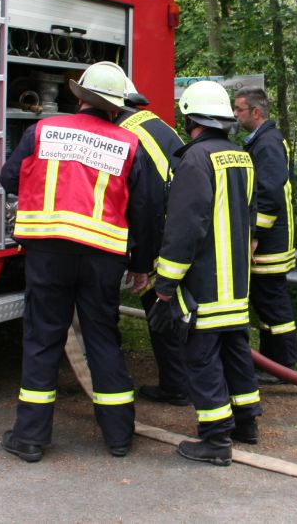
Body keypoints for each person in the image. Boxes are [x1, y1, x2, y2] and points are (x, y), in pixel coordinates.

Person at [0, 61, 158, 463]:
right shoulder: (129, 144)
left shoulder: (42, 131)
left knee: (43, 339)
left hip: (48, 253)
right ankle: (118, 437)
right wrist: (141, 264)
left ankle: (30, 438)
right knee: (101, 338)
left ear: (81, 97)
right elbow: (143, 209)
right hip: (102, 258)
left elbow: (9, 179)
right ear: (117, 107)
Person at [154, 80, 261, 466]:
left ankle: (216, 440)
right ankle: (246, 423)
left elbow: (185, 226)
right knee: (236, 351)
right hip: (237, 282)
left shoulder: (195, 160)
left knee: (201, 357)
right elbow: (249, 213)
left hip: (206, 282)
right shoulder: (241, 156)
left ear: (190, 119)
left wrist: (166, 282)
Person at [116, 78, 191, 407]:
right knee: (181, 310)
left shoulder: (122, 134)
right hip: (183, 226)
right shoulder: (155, 123)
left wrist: (141, 263)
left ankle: (175, 386)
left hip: (160, 234)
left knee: (160, 311)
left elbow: (144, 203)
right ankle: (190, 378)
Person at [233, 86, 297, 383]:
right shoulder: (263, 141)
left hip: (270, 243)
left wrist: (255, 234)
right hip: (269, 239)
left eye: (239, 109)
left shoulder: (267, 144)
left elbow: (269, 195)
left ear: (256, 112)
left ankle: (283, 364)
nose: (235, 115)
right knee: (266, 302)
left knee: (273, 302)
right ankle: (272, 363)